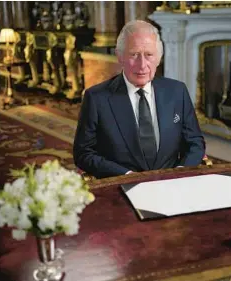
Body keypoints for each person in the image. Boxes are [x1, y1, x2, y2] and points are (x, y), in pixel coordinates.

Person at [73, 20, 205, 178]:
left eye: (149, 55)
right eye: (134, 55)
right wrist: (126, 175)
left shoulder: (177, 91)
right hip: (121, 186)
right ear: (120, 56)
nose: (142, 65)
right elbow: (83, 153)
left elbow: (195, 142)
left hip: (171, 184)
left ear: (159, 58)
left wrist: (180, 171)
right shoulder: (96, 98)